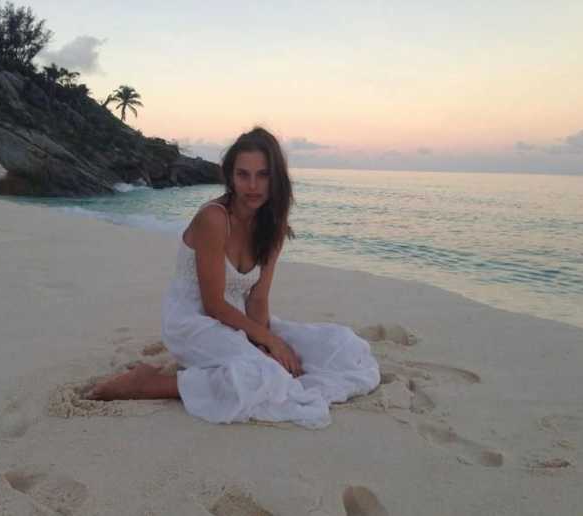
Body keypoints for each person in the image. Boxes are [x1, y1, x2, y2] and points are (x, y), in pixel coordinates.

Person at [87, 127, 380, 428]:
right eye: (243, 175)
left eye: (263, 175)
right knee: (265, 376)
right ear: (230, 176)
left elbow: (258, 299)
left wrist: (265, 345)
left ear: (276, 178)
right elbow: (213, 304)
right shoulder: (214, 219)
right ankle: (148, 384)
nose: (252, 186)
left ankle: (229, 365)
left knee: (341, 346)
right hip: (193, 321)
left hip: (240, 319)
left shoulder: (273, 226)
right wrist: (268, 343)